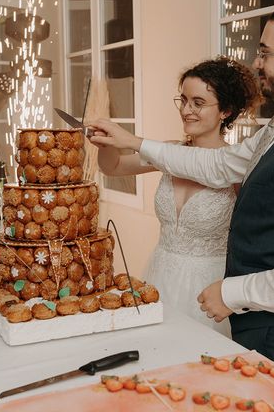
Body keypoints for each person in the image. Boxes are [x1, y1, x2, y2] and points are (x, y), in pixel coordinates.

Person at [90, 0, 274, 384]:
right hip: (263, 323)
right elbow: (218, 166)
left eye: (265, 53)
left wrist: (232, 293)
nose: (256, 64)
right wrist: (133, 141)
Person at [96, 57, 260, 335]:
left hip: (209, 286)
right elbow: (112, 166)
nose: (186, 110)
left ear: (226, 111)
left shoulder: (236, 168)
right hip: (160, 274)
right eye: (183, 100)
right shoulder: (171, 153)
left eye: (198, 103)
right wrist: (105, 140)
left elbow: (252, 237)